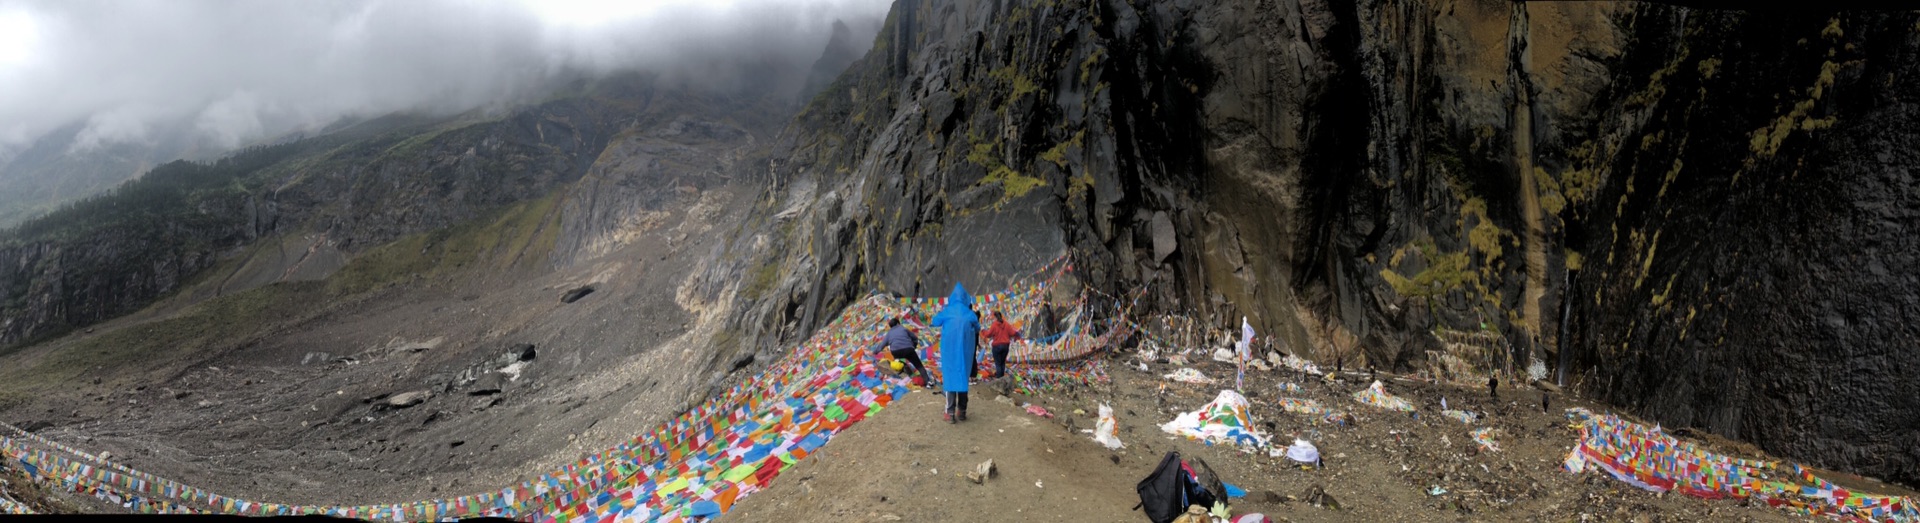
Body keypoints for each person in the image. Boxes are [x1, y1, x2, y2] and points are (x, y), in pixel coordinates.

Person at [931, 283, 980, 423]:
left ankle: (950, 413)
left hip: (949, 351)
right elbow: (977, 327)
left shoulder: (947, 311)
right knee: (963, 378)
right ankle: (962, 411)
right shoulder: (970, 313)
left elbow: (935, 321)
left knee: (951, 379)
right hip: (965, 352)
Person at [871, 317, 932, 386]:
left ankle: (907, 377)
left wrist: (875, 352)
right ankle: (927, 382)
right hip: (908, 349)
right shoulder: (903, 329)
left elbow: (882, 345)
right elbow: (915, 338)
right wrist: (913, 346)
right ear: (898, 323)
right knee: (919, 366)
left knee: (899, 364)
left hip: (896, 352)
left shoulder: (889, 333)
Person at [981, 310, 1023, 379]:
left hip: (996, 346)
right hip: (1005, 346)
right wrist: (1017, 335)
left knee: (998, 363)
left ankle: (999, 379)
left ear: (995, 317)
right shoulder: (1006, 324)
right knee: (1002, 363)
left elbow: (988, 334)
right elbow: (1012, 333)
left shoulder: (994, 325)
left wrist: (983, 331)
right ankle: (1002, 379)